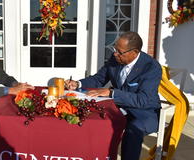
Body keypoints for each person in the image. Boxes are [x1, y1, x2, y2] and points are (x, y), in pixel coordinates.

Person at [65, 31, 162, 160]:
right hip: (119, 107)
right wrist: (77, 84)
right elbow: (99, 79)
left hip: (145, 112)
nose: (115, 54)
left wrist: (112, 93)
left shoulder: (151, 67)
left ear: (135, 53)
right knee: (93, 119)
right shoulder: (116, 58)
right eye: (115, 49)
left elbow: (143, 100)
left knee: (133, 131)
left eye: (120, 52)